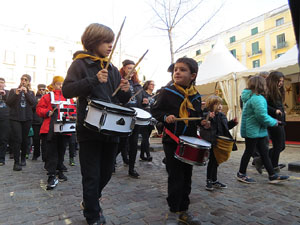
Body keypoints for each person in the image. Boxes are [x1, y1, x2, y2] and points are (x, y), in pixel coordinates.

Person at [62, 23, 130, 225]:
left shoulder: (113, 69)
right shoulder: (80, 64)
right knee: (91, 175)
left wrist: (125, 89)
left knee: (107, 172)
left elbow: (121, 100)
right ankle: (92, 214)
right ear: (94, 41)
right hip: (89, 129)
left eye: (112, 41)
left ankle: (90, 200)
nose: (111, 45)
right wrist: (93, 80)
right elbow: (67, 91)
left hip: (112, 129)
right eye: (106, 41)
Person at [152, 57, 208, 225]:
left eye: (183, 70)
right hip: (172, 141)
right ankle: (173, 211)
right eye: (176, 69)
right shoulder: (166, 92)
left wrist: (203, 121)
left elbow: (196, 115)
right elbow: (155, 110)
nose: (177, 72)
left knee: (187, 177)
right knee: (175, 177)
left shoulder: (196, 96)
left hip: (189, 140)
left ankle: (184, 211)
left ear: (193, 75)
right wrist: (165, 117)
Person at [237, 76, 289, 184]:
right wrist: (275, 122)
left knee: (264, 153)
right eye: (264, 84)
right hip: (253, 131)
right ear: (260, 85)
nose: (266, 86)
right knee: (249, 152)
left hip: (257, 130)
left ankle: (272, 175)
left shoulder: (256, 97)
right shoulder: (257, 98)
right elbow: (261, 116)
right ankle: (241, 173)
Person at [36, 76, 76, 190]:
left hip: (65, 128)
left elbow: (73, 110)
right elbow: (39, 109)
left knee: (62, 150)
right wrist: (47, 112)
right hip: (50, 129)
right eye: (58, 84)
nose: (61, 86)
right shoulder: (48, 96)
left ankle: (59, 170)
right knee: (51, 152)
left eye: (63, 84)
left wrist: (72, 116)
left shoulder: (69, 98)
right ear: (53, 85)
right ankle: (51, 174)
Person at [200, 95, 238, 191]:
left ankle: (214, 180)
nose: (220, 106)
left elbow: (226, 127)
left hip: (220, 142)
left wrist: (233, 122)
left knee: (216, 162)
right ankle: (209, 180)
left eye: (220, 104)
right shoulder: (206, 114)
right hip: (211, 141)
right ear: (211, 105)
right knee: (212, 161)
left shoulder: (222, 115)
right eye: (217, 104)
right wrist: (209, 118)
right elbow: (204, 126)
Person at [119, 59, 148, 178]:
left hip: (135, 116)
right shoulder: (119, 82)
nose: (132, 70)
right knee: (121, 142)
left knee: (134, 142)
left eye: (133, 68)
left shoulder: (137, 85)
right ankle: (115, 161)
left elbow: (141, 101)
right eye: (129, 68)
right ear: (124, 69)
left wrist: (144, 102)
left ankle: (131, 168)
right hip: (123, 115)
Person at [6, 74, 36, 171]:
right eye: (22, 79)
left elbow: (33, 103)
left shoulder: (31, 93)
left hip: (27, 118)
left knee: (24, 139)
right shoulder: (13, 91)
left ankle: (23, 157)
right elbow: (9, 103)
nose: (23, 81)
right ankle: (16, 162)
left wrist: (26, 93)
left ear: (28, 82)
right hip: (15, 118)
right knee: (17, 139)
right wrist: (16, 94)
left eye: (26, 80)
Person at [266, 71, 286, 173]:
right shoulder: (268, 92)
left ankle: (262, 159)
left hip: (280, 121)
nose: (281, 83)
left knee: (281, 146)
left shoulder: (278, 91)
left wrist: (282, 110)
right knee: (278, 145)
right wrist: (275, 111)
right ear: (274, 81)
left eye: (282, 81)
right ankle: (274, 166)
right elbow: (265, 106)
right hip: (274, 121)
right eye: (279, 81)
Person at [139, 80, 155, 161]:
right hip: (144, 117)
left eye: (154, 84)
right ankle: (148, 155)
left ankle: (142, 155)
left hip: (151, 119)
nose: (153, 85)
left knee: (146, 137)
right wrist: (143, 103)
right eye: (151, 84)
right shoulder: (143, 93)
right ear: (147, 85)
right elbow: (139, 104)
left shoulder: (154, 95)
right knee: (145, 138)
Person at [32, 84, 47, 161]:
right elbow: (32, 107)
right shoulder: (34, 98)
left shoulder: (48, 98)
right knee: (36, 139)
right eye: (40, 89)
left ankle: (45, 156)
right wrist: (37, 102)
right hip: (36, 121)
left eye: (43, 89)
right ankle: (36, 154)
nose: (41, 91)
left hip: (44, 121)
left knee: (45, 140)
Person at [0, 78, 10, 166]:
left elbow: (11, 102)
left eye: (2, 83)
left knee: (3, 139)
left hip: (5, 118)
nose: (0, 84)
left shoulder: (9, 92)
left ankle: (1, 159)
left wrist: (5, 95)